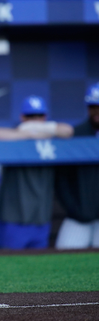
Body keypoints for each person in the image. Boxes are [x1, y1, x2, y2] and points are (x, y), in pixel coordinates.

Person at [0, 95, 73, 250]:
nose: (35, 120)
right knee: (9, 267)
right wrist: (28, 133)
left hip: (41, 219)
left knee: (38, 270)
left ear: (45, 117)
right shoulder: (14, 140)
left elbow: (68, 131)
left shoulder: (52, 139)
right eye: (30, 117)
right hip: (13, 220)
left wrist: (41, 129)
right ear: (22, 117)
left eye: (39, 116)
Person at [54, 83, 99, 249]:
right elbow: (62, 179)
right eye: (93, 107)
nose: (96, 111)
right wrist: (74, 209)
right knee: (64, 258)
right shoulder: (75, 134)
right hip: (78, 217)